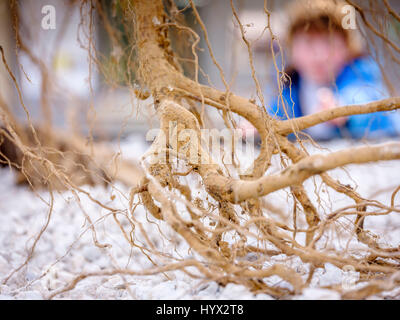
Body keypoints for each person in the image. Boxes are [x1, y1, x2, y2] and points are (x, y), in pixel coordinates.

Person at [266, 0, 399, 141]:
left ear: (347, 48)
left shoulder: (361, 77)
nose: (320, 55)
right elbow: (275, 117)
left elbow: (373, 108)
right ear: (292, 49)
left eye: (329, 43)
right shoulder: (288, 89)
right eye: (308, 42)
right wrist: (262, 127)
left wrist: (345, 111)